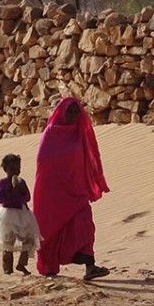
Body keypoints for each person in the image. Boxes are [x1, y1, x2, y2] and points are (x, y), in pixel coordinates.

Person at [32, 96, 111, 280]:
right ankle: (50, 267)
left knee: (85, 226)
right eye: (70, 112)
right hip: (51, 194)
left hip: (76, 192)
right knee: (50, 230)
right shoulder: (51, 133)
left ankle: (89, 266)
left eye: (77, 112)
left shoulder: (79, 134)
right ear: (61, 112)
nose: (73, 115)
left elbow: (88, 160)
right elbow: (43, 163)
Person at [0, 153, 40, 274]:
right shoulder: (2, 182)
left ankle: (21, 264)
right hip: (7, 216)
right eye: (12, 169)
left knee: (29, 240)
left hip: (23, 215)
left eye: (18, 169)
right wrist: (8, 191)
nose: (15, 172)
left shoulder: (21, 182)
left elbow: (27, 197)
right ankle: (7, 269)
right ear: (5, 169)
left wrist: (21, 191)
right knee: (8, 244)